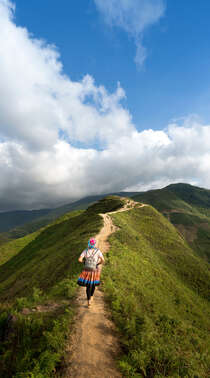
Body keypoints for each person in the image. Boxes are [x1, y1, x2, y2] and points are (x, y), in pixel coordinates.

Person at [77, 237, 104, 307]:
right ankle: (91, 296)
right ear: (95, 244)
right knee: (93, 284)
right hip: (94, 270)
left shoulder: (85, 251)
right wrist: (98, 263)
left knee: (88, 286)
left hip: (86, 270)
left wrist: (84, 262)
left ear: (88, 243)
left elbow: (79, 259)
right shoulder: (98, 251)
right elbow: (103, 260)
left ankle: (88, 300)